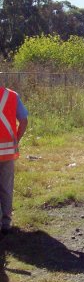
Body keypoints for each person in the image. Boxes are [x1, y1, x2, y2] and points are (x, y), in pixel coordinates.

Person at [0, 85, 28, 234]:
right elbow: (23, 120)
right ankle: (6, 223)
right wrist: (15, 139)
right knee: (6, 187)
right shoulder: (12, 96)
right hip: (7, 151)